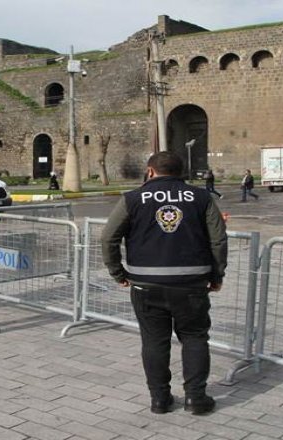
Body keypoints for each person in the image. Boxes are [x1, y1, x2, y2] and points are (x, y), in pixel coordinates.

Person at [101, 151, 228, 416]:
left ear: (150, 171)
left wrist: (118, 273)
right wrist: (217, 275)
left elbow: (108, 238)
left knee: (154, 341)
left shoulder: (133, 198)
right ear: (181, 171)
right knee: (194, 338)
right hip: (191, 284)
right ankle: (196, 398)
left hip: (146, 284)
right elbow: (218, 240)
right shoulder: (202, 197)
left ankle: (160, 399)